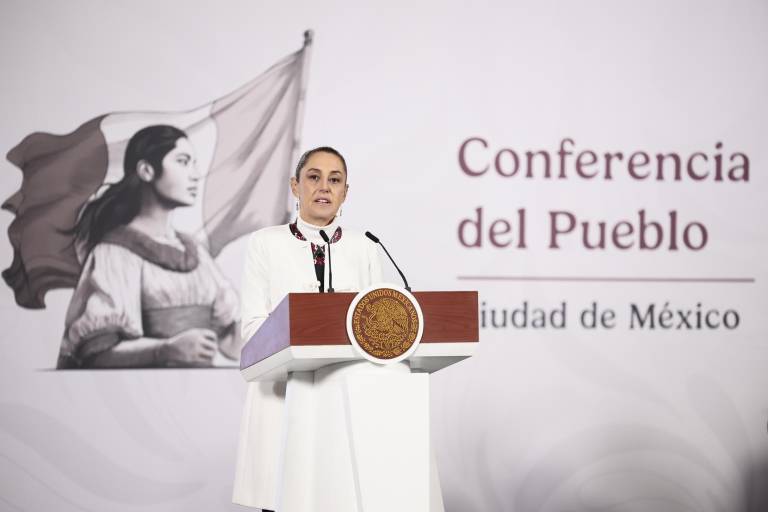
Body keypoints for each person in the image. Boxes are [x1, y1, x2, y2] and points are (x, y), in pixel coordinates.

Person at [233, 147, 390, 510]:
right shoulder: (266, 243)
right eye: (314, 177)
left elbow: (379, 331)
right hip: (283, 395)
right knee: (283, 496)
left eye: (335, 180)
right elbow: (253, 329)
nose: (324, 187)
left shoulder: (365, 247)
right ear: (295, 185)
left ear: (345, 192)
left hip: (344, 397)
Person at [56, 125, 240, 369]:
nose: (195, 174)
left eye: (194, 163)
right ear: (146, 170)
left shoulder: (195, 252)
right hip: (144, 395)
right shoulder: (114, 253)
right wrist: (166, 349)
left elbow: (231, 343)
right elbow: (96, 353)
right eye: (183, 162)